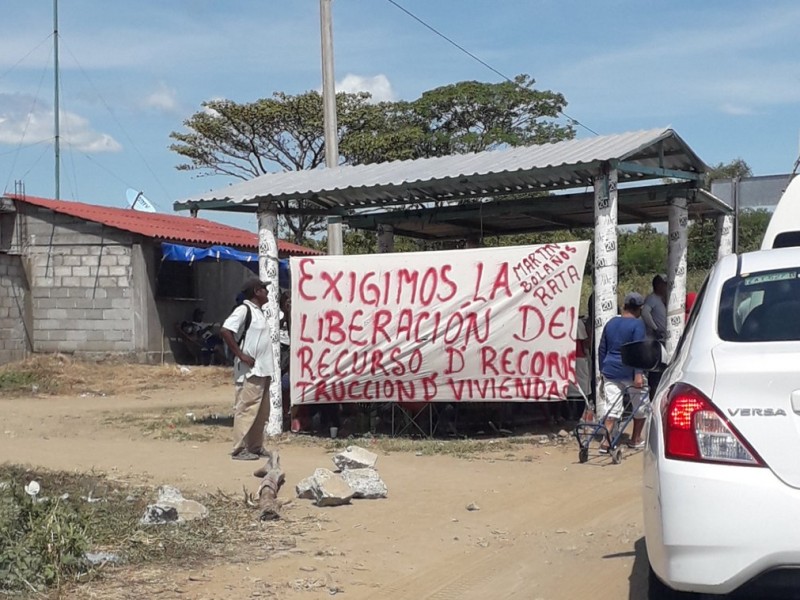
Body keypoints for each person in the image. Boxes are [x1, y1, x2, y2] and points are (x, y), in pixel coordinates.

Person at [220, 278, 275, 461]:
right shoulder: (244, 310)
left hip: (263, 370)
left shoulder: (259, 312)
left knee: (261, 412)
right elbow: (226, 331)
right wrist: (241, 355)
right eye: (264, 289)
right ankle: (239, 448)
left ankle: (255, 446)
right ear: (256, 291)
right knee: (246, 408)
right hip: (250, 370)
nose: (267, 292)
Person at [597, 292, 648, 451]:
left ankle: (606, 441)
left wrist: (602, 369)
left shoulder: (611, 323)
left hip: (610, 370)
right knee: (640, 405)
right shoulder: (638, 325)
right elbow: (638, 349)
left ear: (624, 306)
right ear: (639, 309)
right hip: (630, 371)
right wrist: (638, 374)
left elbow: (602, 349)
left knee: (612, 406)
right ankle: (635, 438)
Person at [641, 274, 667, 397]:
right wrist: (655, 328)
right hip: (656, 339)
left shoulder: (662, 299)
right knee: (656, 371)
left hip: (664, 338)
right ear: (658, 285)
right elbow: (645, 313)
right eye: (664, 284)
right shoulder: (652, 299)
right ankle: (653, 396)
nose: (666, 286)